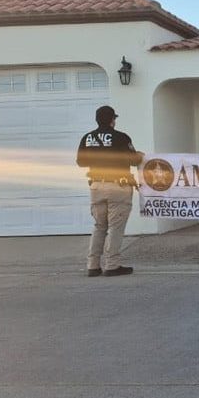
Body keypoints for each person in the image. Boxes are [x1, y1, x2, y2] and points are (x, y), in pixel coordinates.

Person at [76, 105, 144, 277]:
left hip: (96, 187)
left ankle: (92, 265)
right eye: (114, 118)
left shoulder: (87, 138)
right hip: (117, 187)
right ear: (112, 120)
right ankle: (112, 265)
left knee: (99, 226)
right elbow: (133, 159)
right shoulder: (120, 137)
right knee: (115, 227)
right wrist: (140, 156)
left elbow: (81, 162)